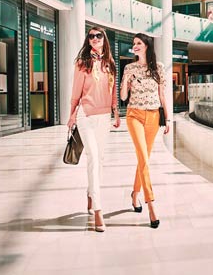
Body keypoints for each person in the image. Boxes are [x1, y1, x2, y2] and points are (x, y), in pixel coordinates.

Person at [67, 27, 120, 233]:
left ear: (104, 39)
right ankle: (98, 210)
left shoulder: (110, 64)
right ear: (88, 41)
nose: (95, 39)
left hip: (104, 116)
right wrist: (72, 114)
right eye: (91, 36)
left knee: (100, 160)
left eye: (99, 36)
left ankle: (90, 193)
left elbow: (113, 90)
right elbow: (75, 92)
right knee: (93, 159)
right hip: (86, 115)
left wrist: (116, 112)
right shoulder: (82, 63)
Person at [120, 33, 170, 229]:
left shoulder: (159, 68)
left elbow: (162, 95)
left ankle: (134, 194)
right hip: (134, 115)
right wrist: (126, 80)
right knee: (143, 157)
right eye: (133, 44)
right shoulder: (129, 68)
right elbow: (124, 96)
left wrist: (168, 118)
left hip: (153, 117)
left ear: (147, 45)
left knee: (144, 160)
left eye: (139, 43)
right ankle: (151, 205)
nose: (135, 46)